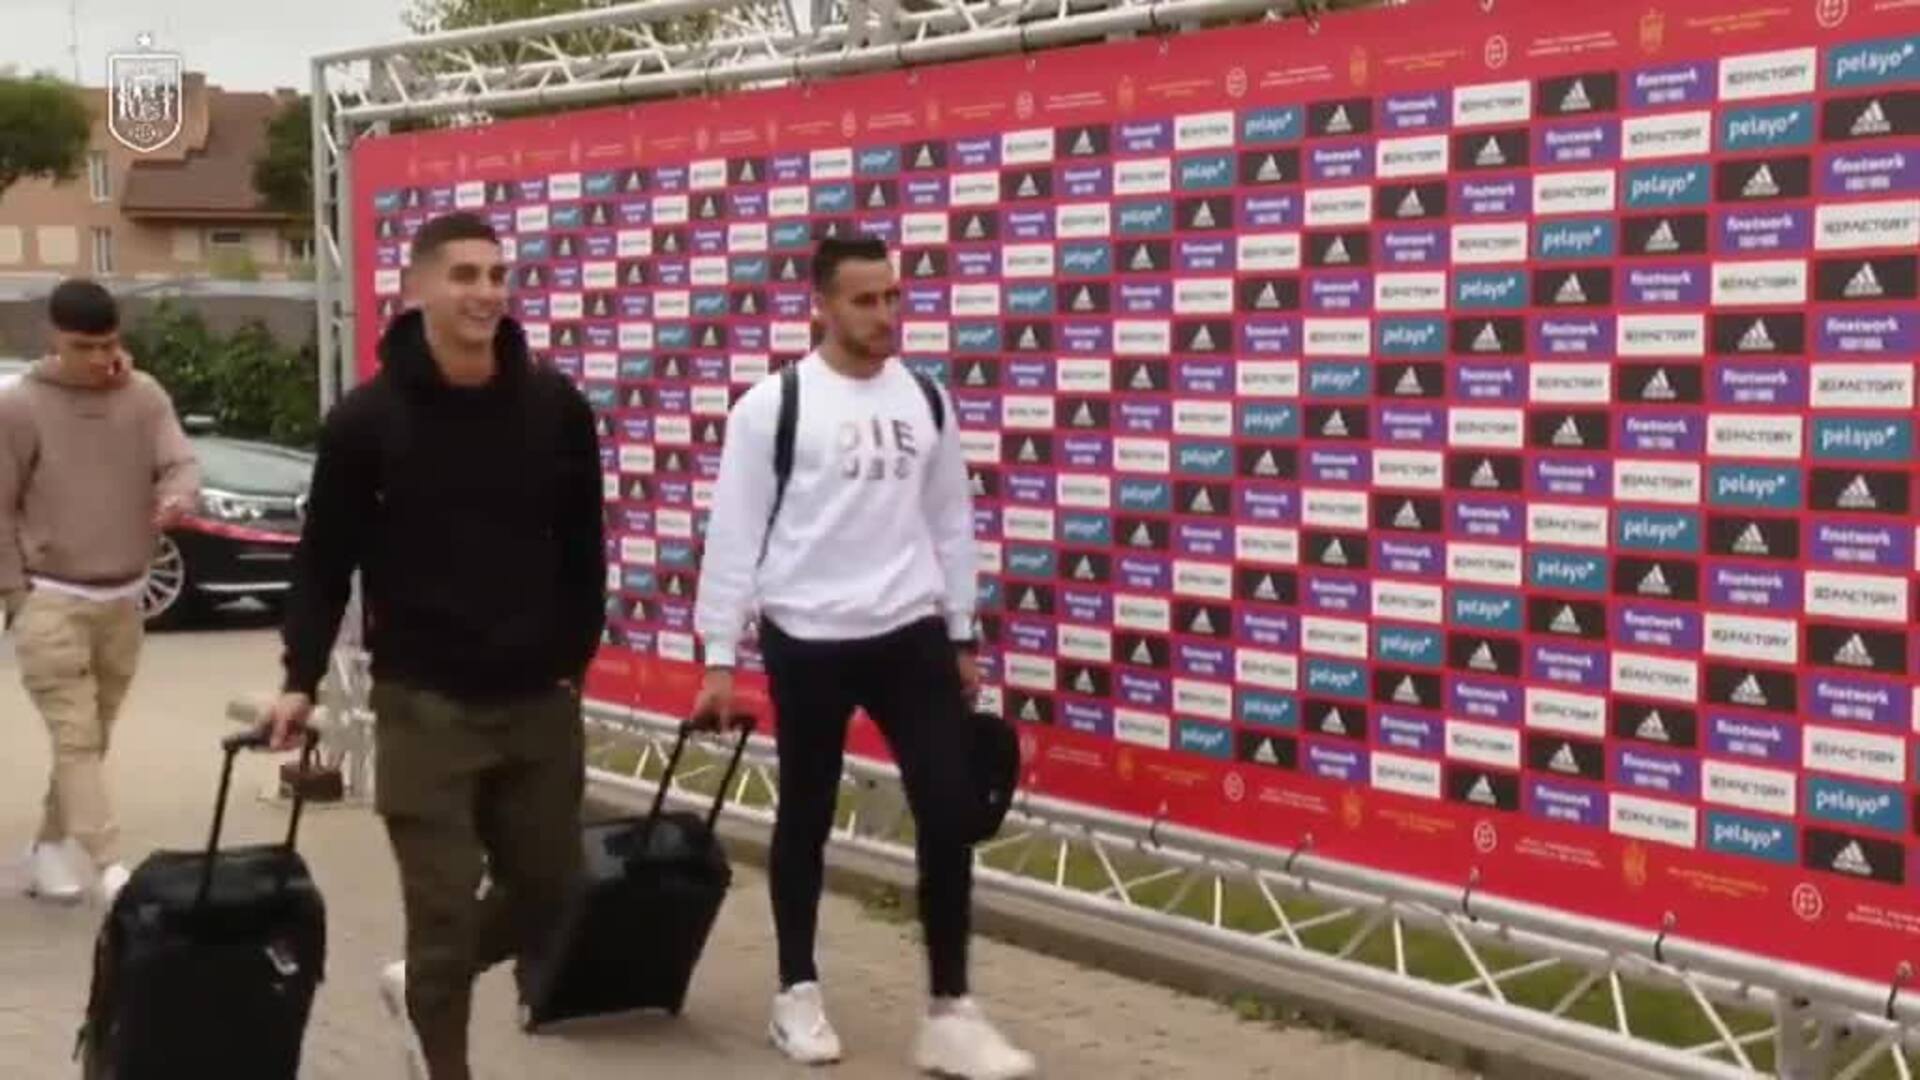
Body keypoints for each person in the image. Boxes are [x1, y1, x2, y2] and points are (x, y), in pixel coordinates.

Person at [264, 211, 607, 1080]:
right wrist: (300, 677)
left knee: (554, 889)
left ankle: (420, 982)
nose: (485, 293)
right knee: (444, 912)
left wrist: (572, 659)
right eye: (464, 275)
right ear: (416, 288)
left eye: (496, 274)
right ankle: (441, 1041)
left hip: (536, 699)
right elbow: (324, 561)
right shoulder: (367, 422)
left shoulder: (556, 410)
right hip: (424, 703)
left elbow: (584, 548)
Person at [694, 235, 1036, 1080]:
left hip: (908, 631)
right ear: (821, 305)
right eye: (864, 300)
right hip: (806, 635)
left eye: (891, 297)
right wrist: (718, 657)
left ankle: (950, 1011)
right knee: (805, 812)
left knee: (948, 807)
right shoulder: (772, 408)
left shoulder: (925, 398)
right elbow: (733, 535)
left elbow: (950, 521)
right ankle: (796, 991)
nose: (884, 315)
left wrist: (960, 632)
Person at [0, 279, 198, 906]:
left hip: (123, 598)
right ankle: (111, 866)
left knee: (94, 735)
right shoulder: (20, 407)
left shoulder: (144, 397)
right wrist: (16, 595)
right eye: (83, 346)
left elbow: (180, 461)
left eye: (108, 344)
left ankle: (50, 845)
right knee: (76, 734)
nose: (98, 358)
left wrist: (178, 495)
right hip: (50, 597)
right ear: (54, 339)